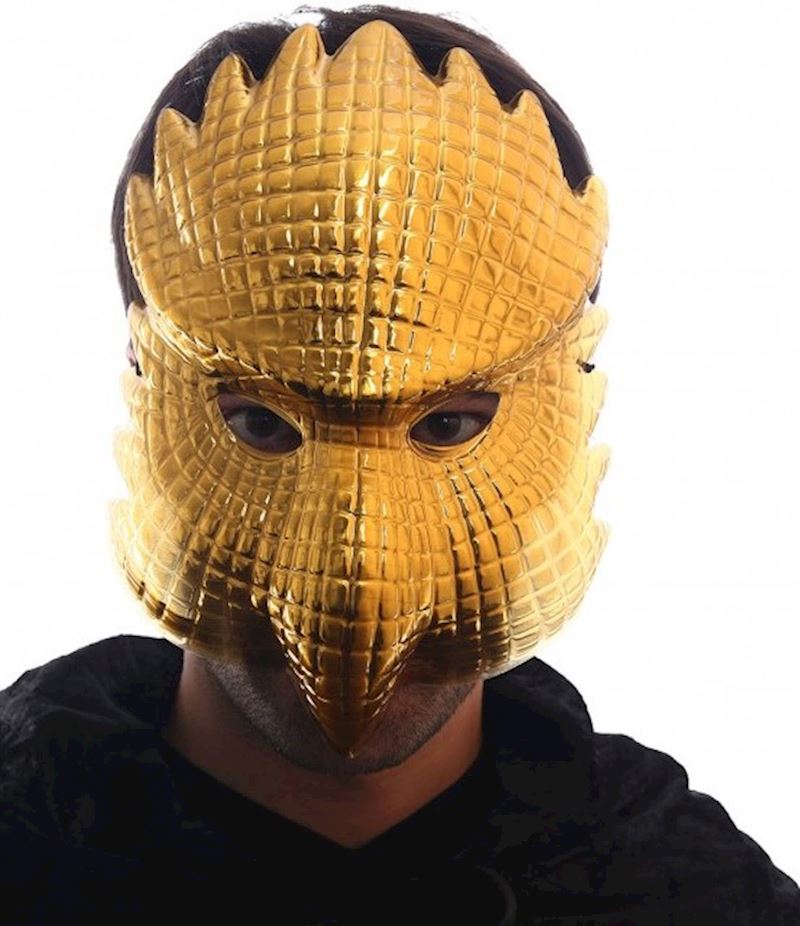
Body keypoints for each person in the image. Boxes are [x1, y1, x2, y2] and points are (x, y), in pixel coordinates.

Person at [1, 6, 798, 925]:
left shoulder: (695, 899)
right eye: (260, 422)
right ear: (142, 382)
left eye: (451, 422)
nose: (359, 576)